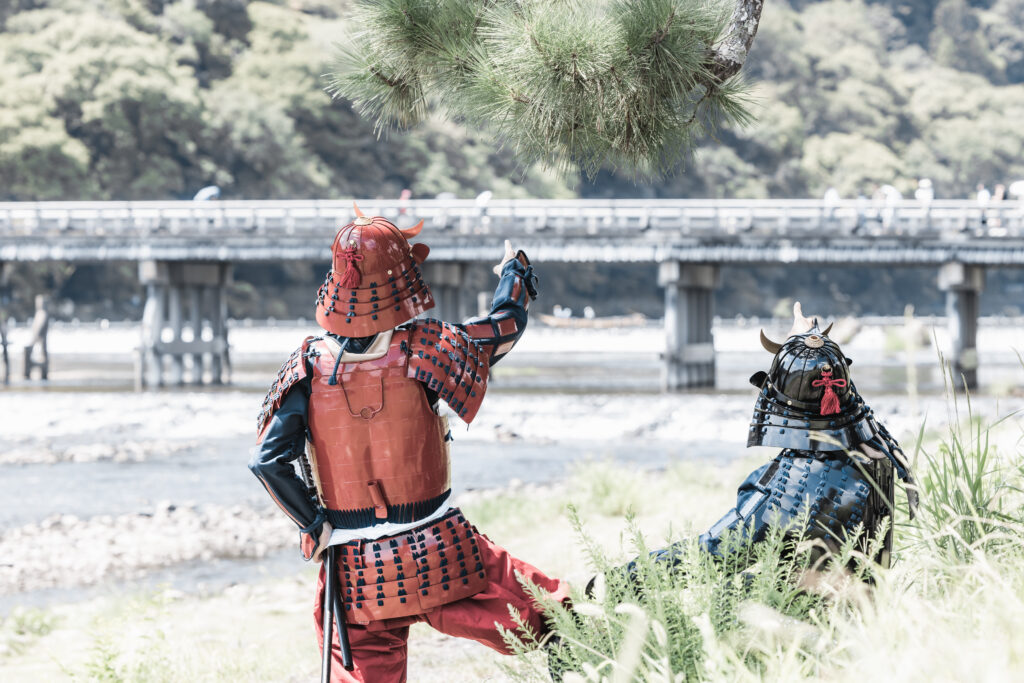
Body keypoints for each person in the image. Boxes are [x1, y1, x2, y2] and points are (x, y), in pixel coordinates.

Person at [249, 206, 569, 682]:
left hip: (355, 572)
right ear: (400, 277)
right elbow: (503, 326)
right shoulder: (428, 346)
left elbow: (268, 462)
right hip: (442, 552)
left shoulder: (305, 367)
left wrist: (313, 523)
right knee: (555, 614)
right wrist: (516, 274)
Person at [616, 303, 917, 581]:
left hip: (800, 620)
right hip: (860, 613)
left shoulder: (791, 480)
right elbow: (838, 397)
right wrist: (811, 348)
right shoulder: (877, 453)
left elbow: (712, 554)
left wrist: (614, 580)